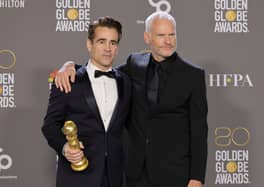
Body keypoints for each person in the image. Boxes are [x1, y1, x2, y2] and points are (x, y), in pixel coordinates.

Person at [56, 12, 208, 187]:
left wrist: (197, 177)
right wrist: (70, 66)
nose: (168, 41)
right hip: (134, 173)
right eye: (161, 35)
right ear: (147, 37)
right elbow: (102, 70)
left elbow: (199, 131)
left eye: (172, 35)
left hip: (174, 173)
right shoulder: (135, 64)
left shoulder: (193, 75)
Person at [42, 17, 131, 187]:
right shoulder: (69, 79)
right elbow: (50, 125)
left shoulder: (126, 82)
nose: (107, 48)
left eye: (113, 43)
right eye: (101, 41)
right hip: (77, 176)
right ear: (89, 44)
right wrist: (65, 148)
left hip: (115, 176)